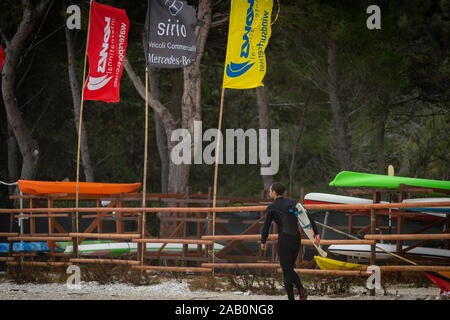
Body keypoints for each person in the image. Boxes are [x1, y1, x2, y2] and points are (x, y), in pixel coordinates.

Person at [260, 182, 320, 300]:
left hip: (285, 239)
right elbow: (308, 217)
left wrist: (263, 241)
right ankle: (301, 291)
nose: (269, 192)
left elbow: (266, 226)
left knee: (286, 270)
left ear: (274, 192)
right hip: (296, 239)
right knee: (289, 268)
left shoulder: (272, 207)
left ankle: (297, 294)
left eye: (270, 190)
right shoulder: (293, 203)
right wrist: (316, 233)